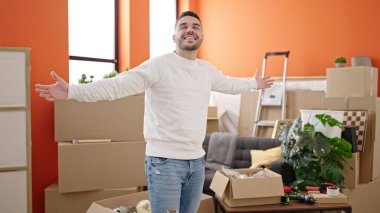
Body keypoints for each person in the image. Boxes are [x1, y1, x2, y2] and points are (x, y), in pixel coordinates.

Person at [35, 11, 274, 213]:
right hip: (165, 163)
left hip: (196, 163)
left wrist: (254, 84)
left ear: (202, 35)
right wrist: (72, 92)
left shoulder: (206, 70)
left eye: (195, 27)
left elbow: (230, 84)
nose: (190, 30)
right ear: (174, 36)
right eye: (183, 26)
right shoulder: (158, 66)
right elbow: (117, 85)